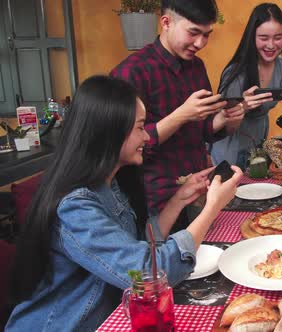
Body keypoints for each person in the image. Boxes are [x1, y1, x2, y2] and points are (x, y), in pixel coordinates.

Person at [5, 76, 242, 331]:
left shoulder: (110, 182)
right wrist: (212, 207)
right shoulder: (75, 207)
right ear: (110, 132)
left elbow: (141, 247)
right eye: (141, 127)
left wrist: (179, 199)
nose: (147, 137)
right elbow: (149, 274)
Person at [111, 0, 245, 216]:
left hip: (199, 188)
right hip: (154, 198)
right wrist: (181, 115)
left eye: (207, 34)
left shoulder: (197, 67)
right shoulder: (132, 71)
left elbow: (203, 132)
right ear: (166, 22)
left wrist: (225, 119)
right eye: (193, 32)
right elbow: (122, 147)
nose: (200, 43)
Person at [210, 3, 282, 170]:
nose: (271, 45)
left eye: (278, 37)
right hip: (229, 147)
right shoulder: (236, 72)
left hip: (257, 144)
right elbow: (228, 129)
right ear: (252, 37)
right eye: (263, 38)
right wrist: (243, 107)